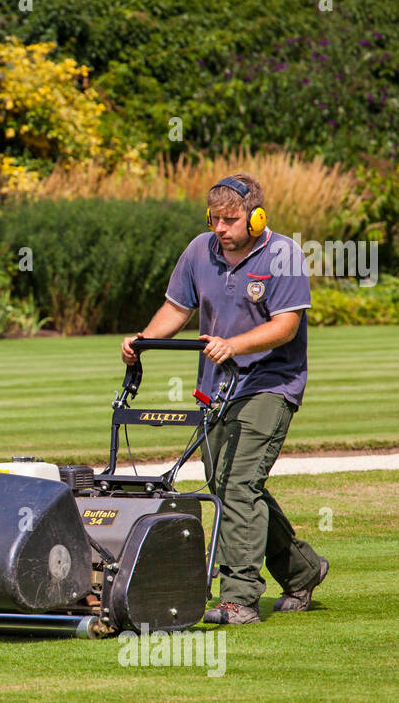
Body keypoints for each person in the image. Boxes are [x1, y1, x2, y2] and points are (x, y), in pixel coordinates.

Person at [120, 174, 328, 624]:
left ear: (256, 218)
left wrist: (234, 345)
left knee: (238, 484)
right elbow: (177, 308)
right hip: (218, 387)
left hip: (271, 382)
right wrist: (143, 340)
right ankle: (303, 570)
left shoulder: (283, 255)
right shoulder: (200, 250)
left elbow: (286, 326)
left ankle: (239, 597)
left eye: (230, 220)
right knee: (226, 482)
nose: (220, 228)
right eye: (213, 219)